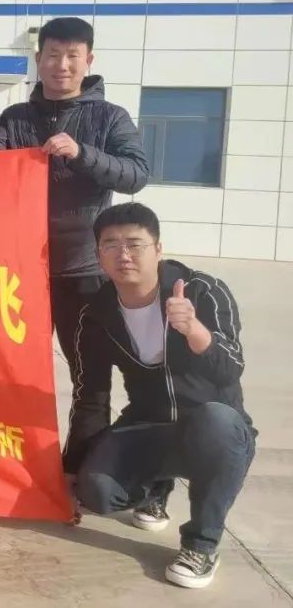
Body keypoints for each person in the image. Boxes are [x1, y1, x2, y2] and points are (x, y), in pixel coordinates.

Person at [65, 203, 253, 590]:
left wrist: (194, 330)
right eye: (111, 245)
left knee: (216, 423)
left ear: (158, 248)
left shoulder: (203, 291)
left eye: (135, 244)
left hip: (216, 426)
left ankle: (202, 544)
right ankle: (156, 486)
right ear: (98, 254)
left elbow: (231, 367)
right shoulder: (97, 314)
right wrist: (69, 472)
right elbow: (91, 397)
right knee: (96, 491)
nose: (124, 255)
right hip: (149, 423)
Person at [0, 17, 148, 372]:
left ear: (88, 61)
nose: (62, 65)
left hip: (84, 269)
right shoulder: (17, 117)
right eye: (53, 54)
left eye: (72, 56)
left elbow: (136, 174)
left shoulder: (110, 117)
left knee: (89, 375)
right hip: (21, 270)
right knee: (13, 369)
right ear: (38, 59)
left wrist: (82, 153)